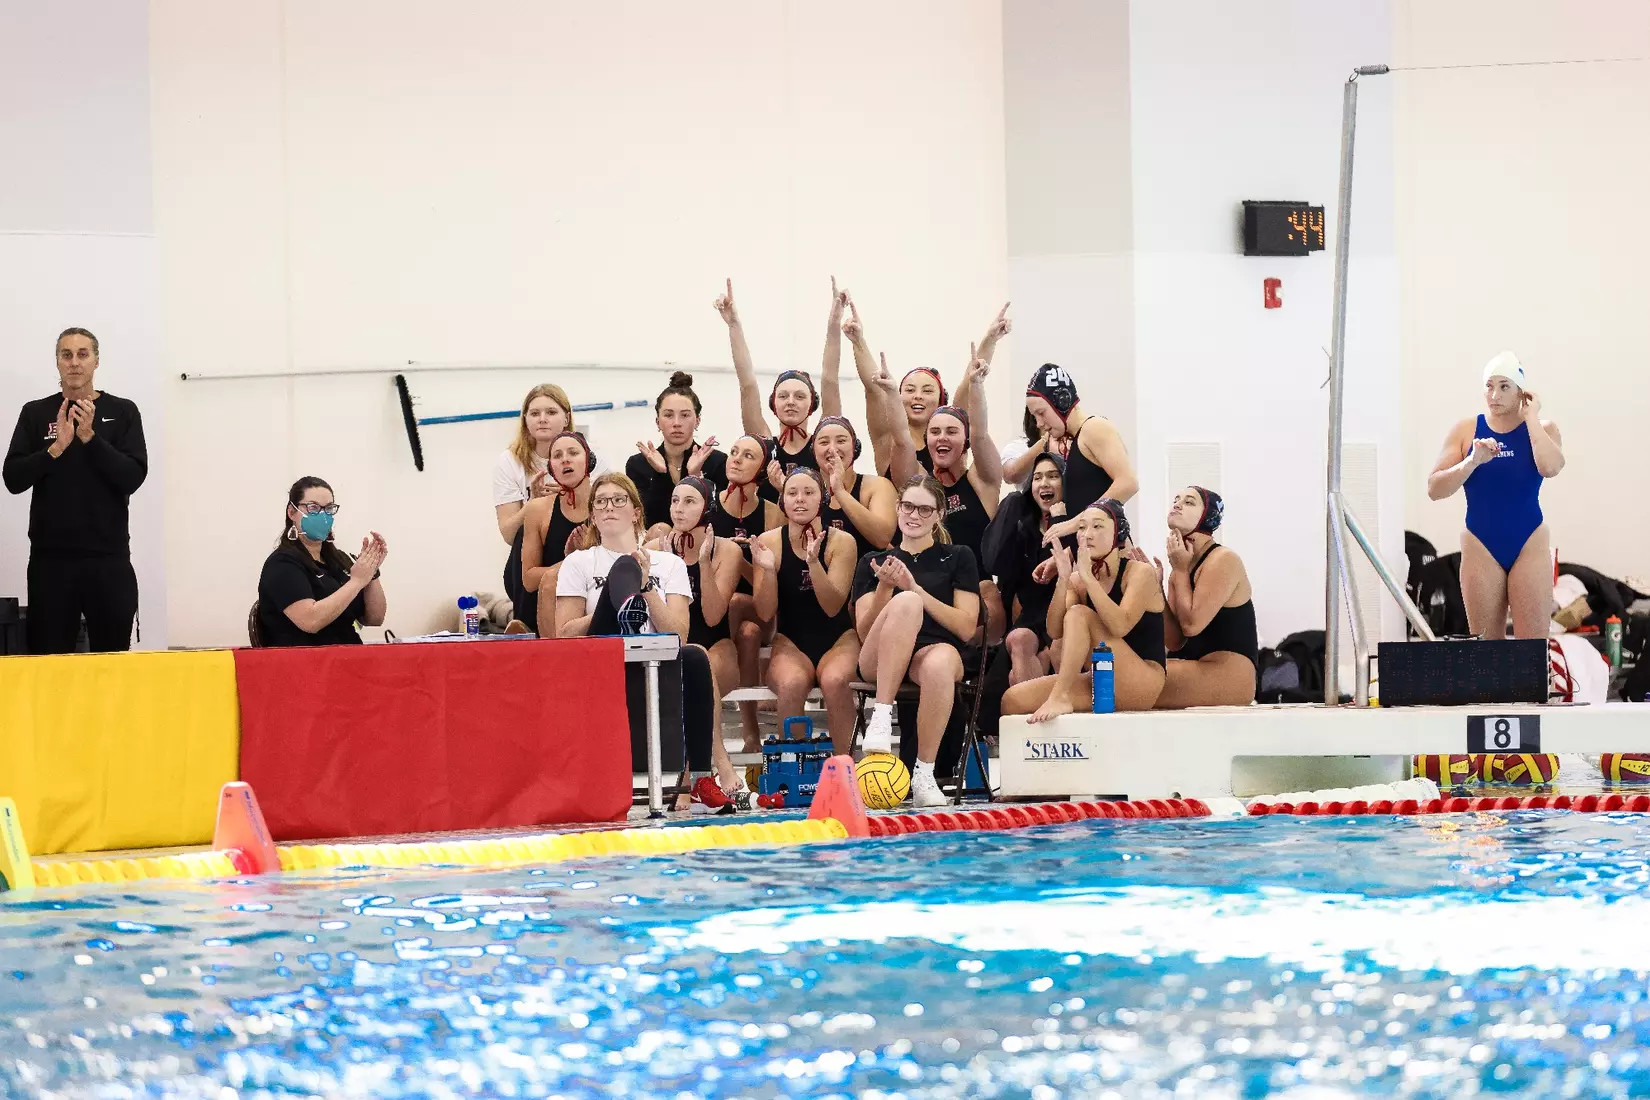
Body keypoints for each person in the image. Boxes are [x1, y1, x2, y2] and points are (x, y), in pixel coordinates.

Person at [554, 472, 718, 808]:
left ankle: (701, 776)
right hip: (602, 653)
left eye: (618, 500)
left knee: (697, 657)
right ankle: (623, 608)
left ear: (635, 512)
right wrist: (612, 602)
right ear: (593, 516)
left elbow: (679, 634)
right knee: (620, 575)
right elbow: (565, 632)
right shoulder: (578, 562)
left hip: (654, 657)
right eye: (601, 502)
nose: (609, 507)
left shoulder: (668, 563)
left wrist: (645, 588)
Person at [4, 328, 148, 654]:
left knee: (110, 665)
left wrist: (90, 439)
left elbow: (132, 477)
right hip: (50, 565)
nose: (74, 362)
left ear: (96, 361)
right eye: (66, 354)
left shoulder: (123, 411)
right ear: (57, 362)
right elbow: (13, 479)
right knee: (50, 665)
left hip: (108, 561)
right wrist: (56, 449)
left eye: (83, 354)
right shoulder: (36, 413)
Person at [853, 475, 982, 807]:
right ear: (898, 508)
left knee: (939, 661)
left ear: (939, 514)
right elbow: (865, 634)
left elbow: (967, 628)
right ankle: (881, 715)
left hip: (933, 653)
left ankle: (924, 774)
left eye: (925, 510)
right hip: (880, 661)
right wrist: (886, 587)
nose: (914, 515)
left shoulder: (958, 556)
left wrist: (915, 589)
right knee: (906, 604)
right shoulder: (873, 562)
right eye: (908, 506)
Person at [1427, 352, 1564, 640]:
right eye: (1489, 386)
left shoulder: (1544, 429)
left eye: (1505, 386)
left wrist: (1531, 418)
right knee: (1488, 653)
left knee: (1532, 651)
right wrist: (1472, 461)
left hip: (1529, 541)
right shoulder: (1467, 430)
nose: (1494, 394)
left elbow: (1550, 468)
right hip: (1480, 543)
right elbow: (1435, 489)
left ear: (1520, 392)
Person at [1004, 499, 1165, 721]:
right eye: (1081, 527)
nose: (1087, 534)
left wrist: (1088, 578)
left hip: (1141, 683)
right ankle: (1060, 697)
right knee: (1013, 700)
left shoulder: (1140, 573)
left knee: (1080, 614)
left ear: (1119, 532)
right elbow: (1054, 631)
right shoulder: (1078, 579)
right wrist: (1062, 580)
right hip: (1099, 677)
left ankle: (1060, 696)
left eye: (1097, 526)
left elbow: (1120, 625)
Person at [644, 475, 743, 793]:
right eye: (675, 501)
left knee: (701, 665)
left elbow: (714, 616)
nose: (679, 509)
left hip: (718, 644)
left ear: (708, 508)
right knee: (691, 664)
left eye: (689, 501)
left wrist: (702, 563)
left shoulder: (727, 551)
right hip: (674, 650)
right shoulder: (652, 551)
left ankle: (716, 766)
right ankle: (703, 771)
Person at [751, 468, 861, 754]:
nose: (800, 500)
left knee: (836, 681)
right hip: (790, 642)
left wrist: (814, 563)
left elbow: (832, 606)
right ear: (783, 500)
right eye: (792, 493)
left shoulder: (842, 542)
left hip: (838, 640)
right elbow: (765, 613)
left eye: (809, 492)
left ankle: (844, 768)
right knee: (791, 683)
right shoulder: (770, 541)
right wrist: (765, 570)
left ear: (822, 499)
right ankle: (794, 770)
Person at [715, 278, 840, 496]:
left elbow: (830, 380)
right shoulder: (764, 445)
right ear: (773, 403)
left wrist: (834, 324)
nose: (791, 401)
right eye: (783, 396)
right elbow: (747, 385)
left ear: (813, 404)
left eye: (800, 396)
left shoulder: (823, 442)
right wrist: (733, 325)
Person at [1151, 486, 1258, 708]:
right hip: (1196, 666)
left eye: (1189, 502)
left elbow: (1192, 625)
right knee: (1130, 672)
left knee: (1137, 677)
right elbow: (1174, 641)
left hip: (1229, 676)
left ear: (1208, 517)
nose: (1177, 504)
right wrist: (1155, 589)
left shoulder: (1223, 559)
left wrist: (1179, 571)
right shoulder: (1180, 565)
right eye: (1176, 500)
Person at [882, 304, 1011, 485]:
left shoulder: (955, 424)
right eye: (910, 390)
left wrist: (990, 339)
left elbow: (970, 384)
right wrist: (889, 391)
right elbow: (901, 437)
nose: (917, 396)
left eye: (927, 390)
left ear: (941, 401)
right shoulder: (897, 443)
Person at [710, 433, 784, 750]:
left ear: (763, 469)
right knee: (749, 632)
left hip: (763, 607)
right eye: (734, 451)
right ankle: (750, 730)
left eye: (748, 455)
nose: (736, 458)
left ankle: (713, 659)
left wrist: (739, 561)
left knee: (743, 605)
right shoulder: (709, 509)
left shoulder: (772, 514)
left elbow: (770, 586)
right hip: (724, 612)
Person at [925, 348, 1004, 639]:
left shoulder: (982, 482)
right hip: (931, 585)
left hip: (979, 586)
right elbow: (898, 442)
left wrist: (977, 385)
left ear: (966, 441)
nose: (942, 437)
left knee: (989, 596)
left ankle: (977, 670)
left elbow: (981, 433)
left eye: (952, 431)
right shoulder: (922, 484)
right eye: (935, 432)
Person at [256, 477, 387, 647]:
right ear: (292, 512)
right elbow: (311, 621)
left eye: (329, 509)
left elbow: (374, 618)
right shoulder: (282, 564)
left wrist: (371, 572)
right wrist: (357, 581)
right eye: (313, 508)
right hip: (305, 664)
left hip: (350, 658)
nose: (323, 515)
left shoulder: (338, 559)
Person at [1022, 363, 1139, 523]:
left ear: (1062, 401)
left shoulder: (1094, 428)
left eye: (1041, 413)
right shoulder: (1073, 438)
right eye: (1035, 416)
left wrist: (1075, 523)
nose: (1039, 423)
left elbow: (1128, 483)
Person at [493, 383, 606, 547]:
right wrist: (534, 504)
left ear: (567, 418)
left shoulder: (592, 456)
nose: (542, 419)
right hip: (532, 555)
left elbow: (613, 520)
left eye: (551, 412)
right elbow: (509, 536)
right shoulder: (509, 461)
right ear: (525, 419)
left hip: (585, 551)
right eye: (534, 413)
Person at [516, 431, 596, 635]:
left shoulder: (606, 502)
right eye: (557, 455)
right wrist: (571, 562)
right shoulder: (538, 510)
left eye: (573, 452)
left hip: (594, 597)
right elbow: (529, 579)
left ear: (589, 460)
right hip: (549, 601)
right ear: (551, 466)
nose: (565, 459)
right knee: (551, 581)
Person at [626, 372, 727, 533]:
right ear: (658, 422)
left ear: (697, 421)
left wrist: (695, 476)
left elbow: (718, 518)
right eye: (668, 415)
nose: (677, 423)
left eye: (685, 415)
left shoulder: (717, 461)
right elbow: (648, 519)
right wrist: (661, 474)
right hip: (656, 547)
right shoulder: (638, 464)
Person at [813, 416, 897, 559]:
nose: (832, 449)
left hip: (873, 578)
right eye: (824, 442)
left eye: (841, 441)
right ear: (813, 451)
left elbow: (882, 538)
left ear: (855, 448)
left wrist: (839, 491)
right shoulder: (807, 492)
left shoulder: (877, 486)